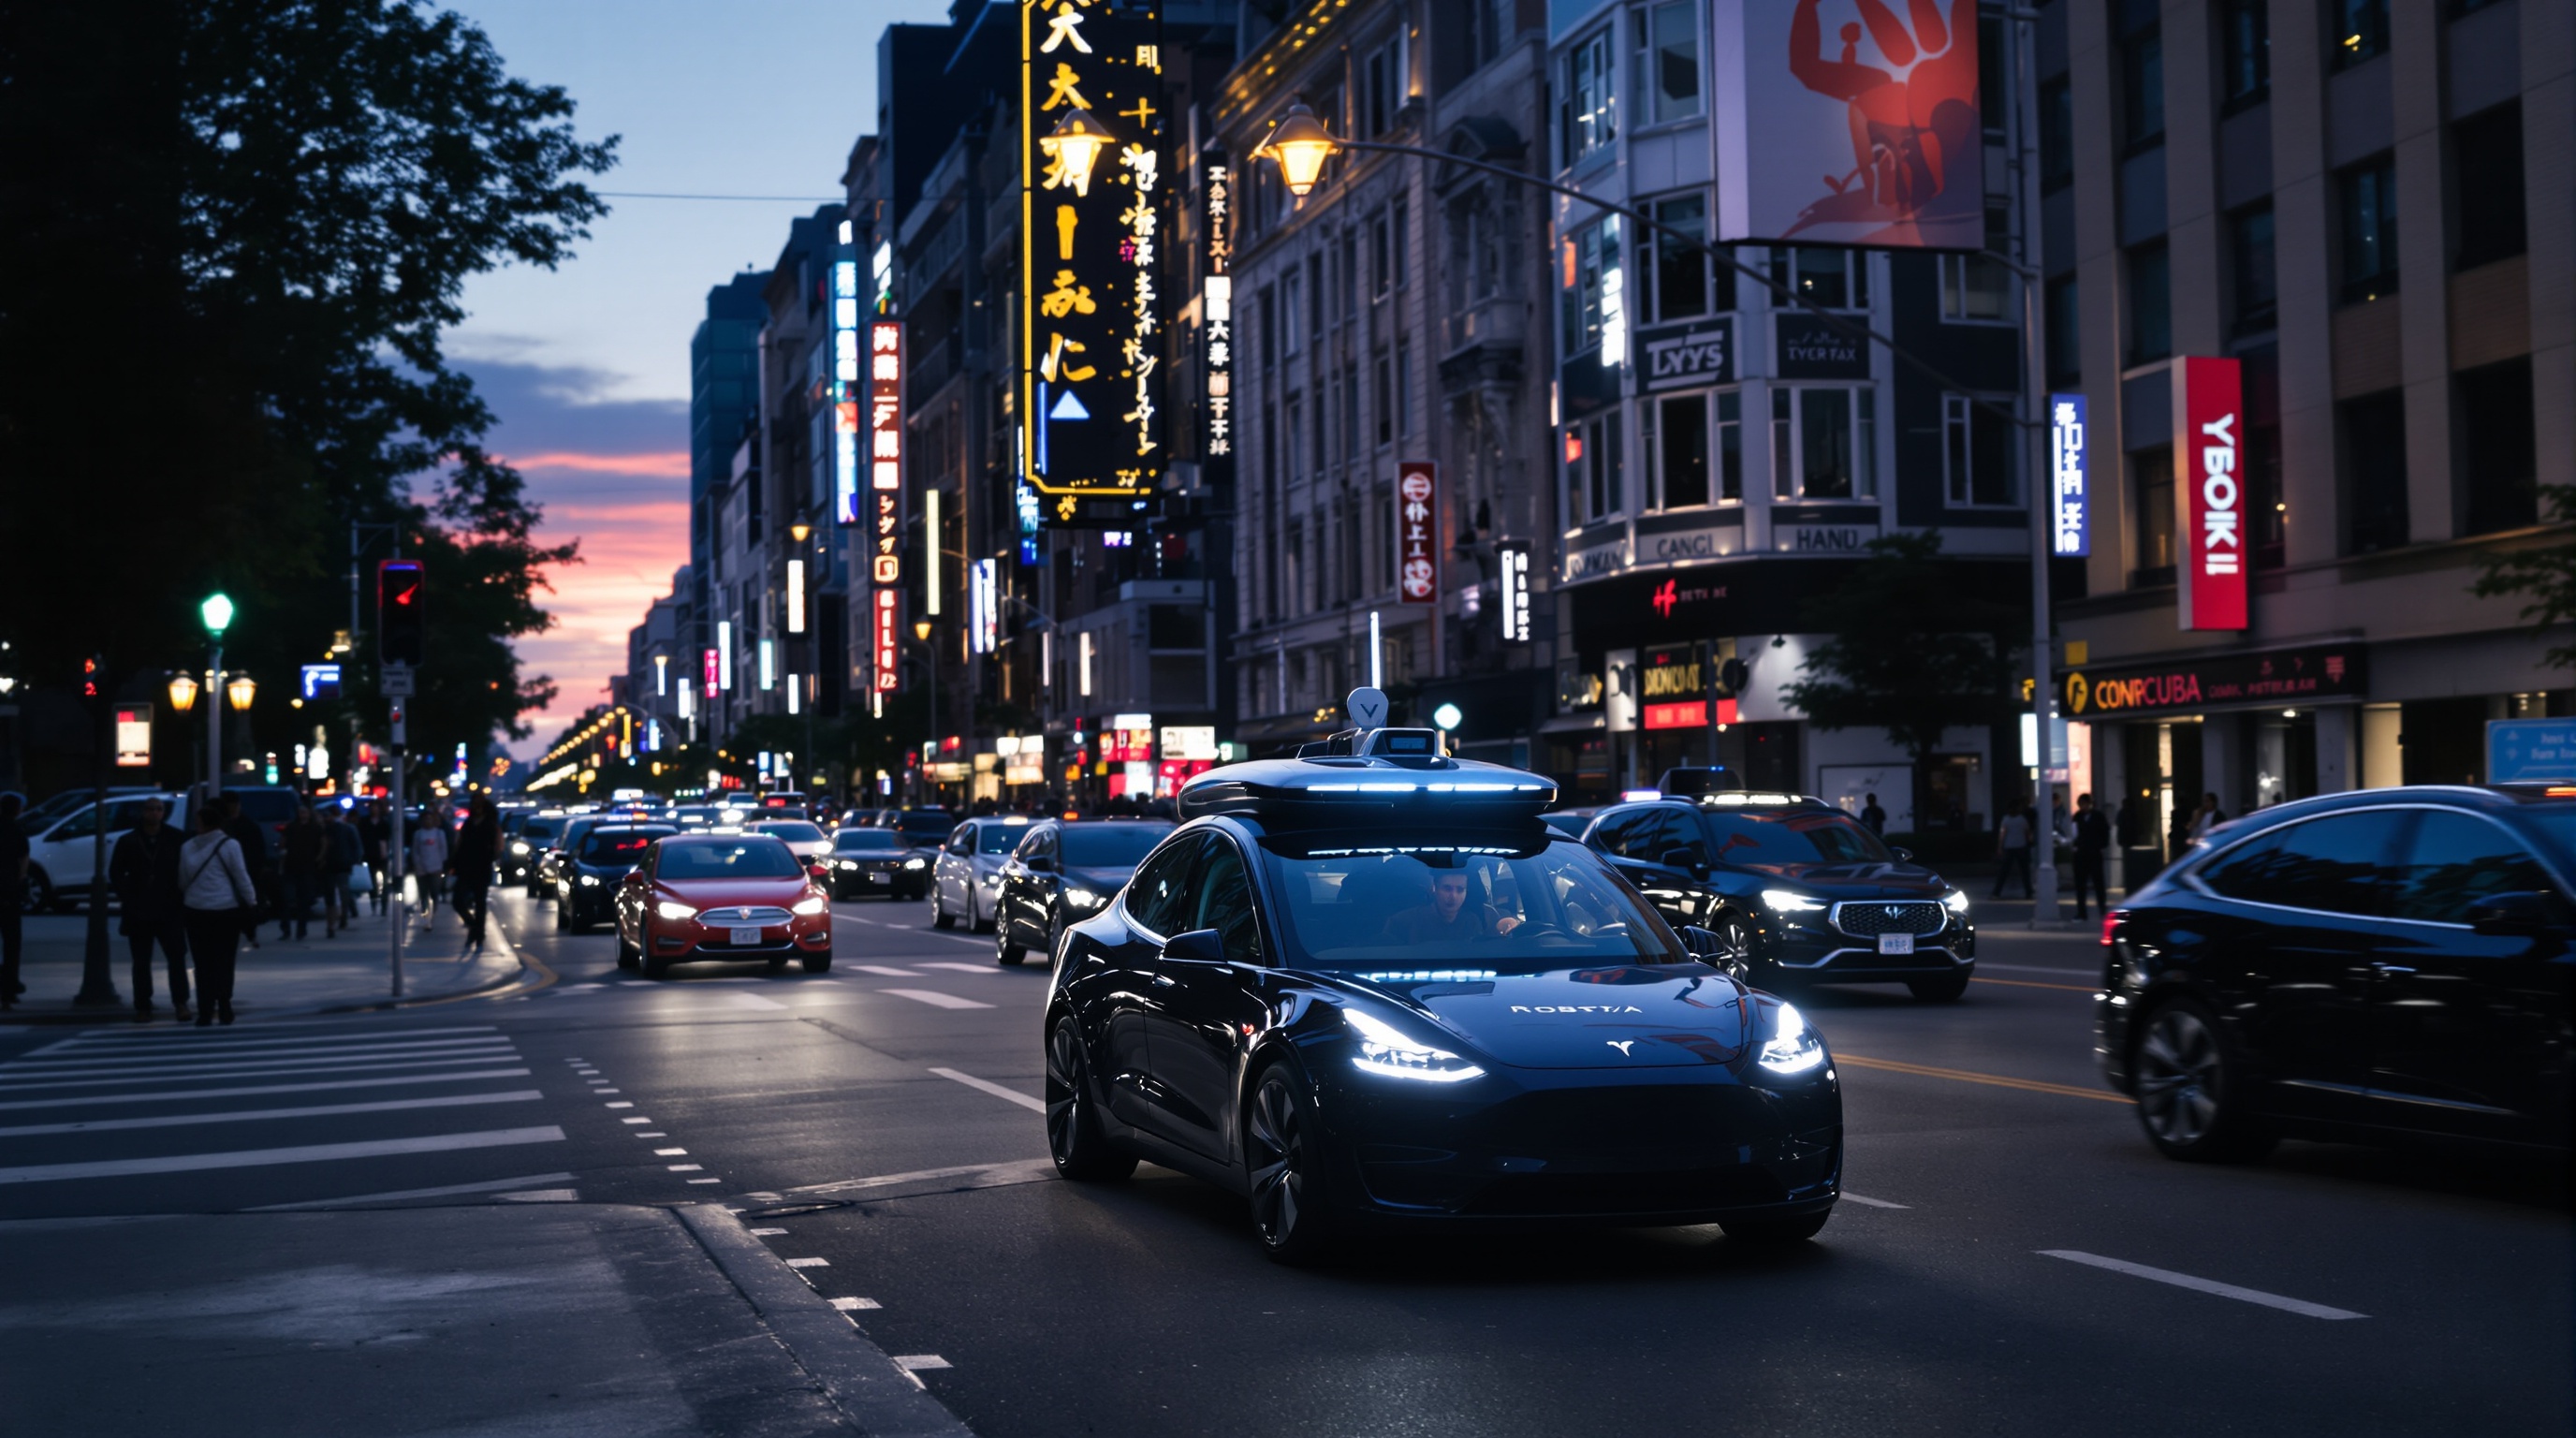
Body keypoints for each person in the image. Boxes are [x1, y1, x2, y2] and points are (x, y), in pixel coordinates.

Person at [110, 797, 191, 1020]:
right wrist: (128, 895)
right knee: (141, 961)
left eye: (158, 809)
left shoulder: (175, 838)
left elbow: (185, 868)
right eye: (150, 809)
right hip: (140, 908)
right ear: (143, 812)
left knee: (176, 958)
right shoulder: (129, 840)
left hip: (169, 907)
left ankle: (180, 1002)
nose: (154, 813)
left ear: (163, 812)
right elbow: (116, 872)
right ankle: (143, 1005)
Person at [177, 804, 256, 1025]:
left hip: (195, 909)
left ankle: (204, 1010)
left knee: (202, 963)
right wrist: (251, 902)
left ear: (202, 823)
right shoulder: (230, 845)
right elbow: (241, 877)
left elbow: (182, 880)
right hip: (225, 910)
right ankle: (224, 1006)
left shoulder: (187, 847)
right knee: (225, 961)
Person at [1382, 869, 1524, 944]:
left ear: (1466, 892)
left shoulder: (1475, 920)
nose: (1453, 896)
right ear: (1434, 889)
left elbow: (1504, 928)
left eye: (1460, 889)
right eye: (1447, 888)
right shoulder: (1403, 921)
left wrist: (1512, 923)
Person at [218, 794, 271, 948]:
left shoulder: (230, 826)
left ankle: (248, 929)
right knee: (245, 901)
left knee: (242, 902)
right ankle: (248, 930)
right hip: (244, 868)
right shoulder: (246, 826)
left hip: (243, 868)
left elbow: (258, 851)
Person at [448, 796, 500, 950]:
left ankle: (478, 936)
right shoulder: (468, 823)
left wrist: (490, 857)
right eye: (474, 804)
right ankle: (475, 928)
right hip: (465, 868)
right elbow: (459, 843)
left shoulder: (491, 825)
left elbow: (498, 846)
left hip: (482, 868)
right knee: (457, 901)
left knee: (480, 903)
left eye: (479, 805)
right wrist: (453, 863)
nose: (476, 808)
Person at [279, 803, 323, 941]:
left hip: (307, 867)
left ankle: (300, 930)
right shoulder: (292, 827)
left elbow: (323, 843)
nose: (303, 815)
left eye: (305, 812)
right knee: (288, 899)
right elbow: (283, 843)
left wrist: (318, 858)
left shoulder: (315, 828)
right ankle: (287, 929)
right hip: (292, 866)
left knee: (303, 901)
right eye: (301, 812)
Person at [0, 793, 27, 1010]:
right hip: (9, 892)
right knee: (11, 944)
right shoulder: (17, 832)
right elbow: (23, 863)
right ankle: (8, 990)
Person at [321, 801, 364, 936]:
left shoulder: (334, 829)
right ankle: (342, 917)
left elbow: (356, 846)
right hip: (339, 864)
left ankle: (341, 918)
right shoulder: (343, 828)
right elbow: (356, 846)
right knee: (342, 891)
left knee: (339, 892)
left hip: (337, 864)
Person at [2069, 792, 2112, 920]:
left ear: (2089, 804)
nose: (2082, 807)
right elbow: (2074, 833)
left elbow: (2105, 832)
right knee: (2080, 884)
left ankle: (2102, 907)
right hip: (2081, 853)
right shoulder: (2077, 817)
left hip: (2094, 852)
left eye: (2084, 804)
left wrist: (2101, 845)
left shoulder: (2098, 816)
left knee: (2098, 882)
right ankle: (2082, 911)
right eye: (2080, 804)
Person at [410, 809, 450, 932]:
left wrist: (441, 865)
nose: (428, 821)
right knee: (423, 894)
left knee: (434, 893)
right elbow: (415, 850)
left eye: (430, 818)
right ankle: (425, 916)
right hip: (421, 868)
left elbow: (443, 851)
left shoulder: (439, 834)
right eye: (425, 819)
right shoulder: (418, 834)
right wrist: (417, 863)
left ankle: (433, 915)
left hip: (435, 868)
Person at [1990, 802, 2033, 899]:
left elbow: (2002, 834)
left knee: (2004, 871)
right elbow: (2028, 832)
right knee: (2024, 871)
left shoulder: (2006, 819)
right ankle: (2029, 892)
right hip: (2021, 846)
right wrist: (2030, 842)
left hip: (2009, 847)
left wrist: (2000, 847)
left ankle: (1996, 892)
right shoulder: (2022, 819)